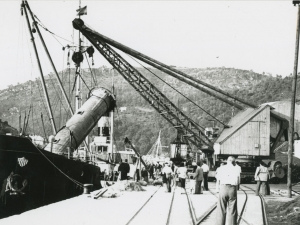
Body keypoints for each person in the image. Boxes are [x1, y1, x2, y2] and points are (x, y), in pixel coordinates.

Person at [216, 156, 240, 225]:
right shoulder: (236, 169)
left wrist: (218, 188)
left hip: (223, 188)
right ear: (234, 162)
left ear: (227, 161)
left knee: (221, 209)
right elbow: (238, 182)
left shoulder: (221, 168)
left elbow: (218, 179)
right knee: (232, 210)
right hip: (232, 188)